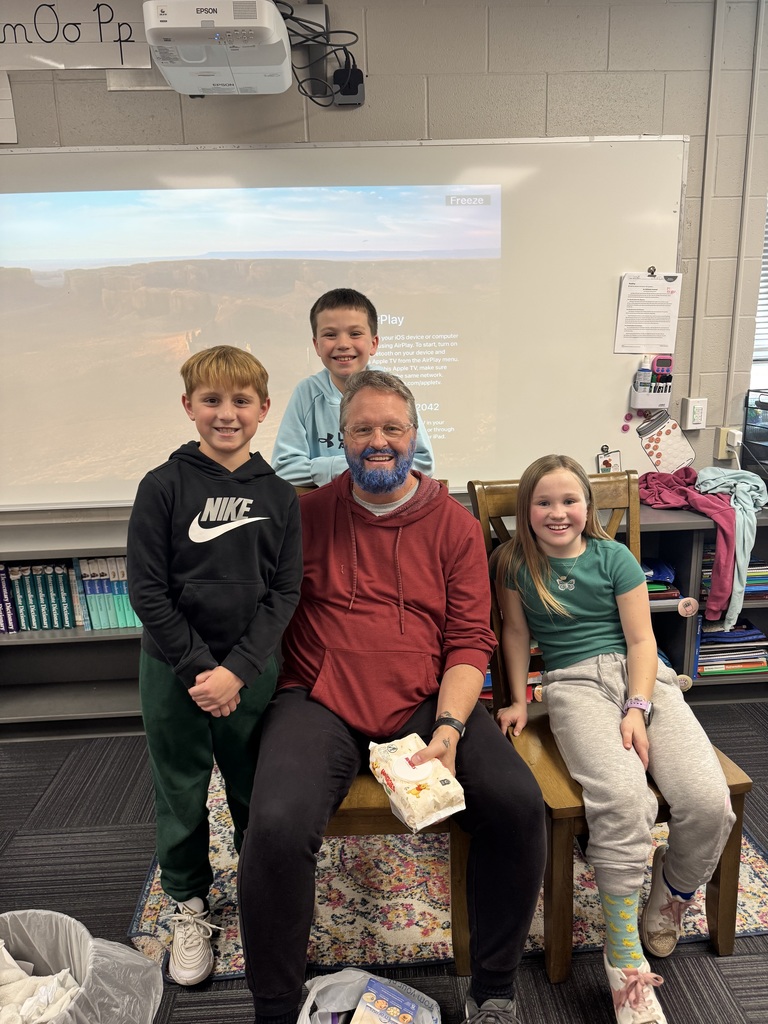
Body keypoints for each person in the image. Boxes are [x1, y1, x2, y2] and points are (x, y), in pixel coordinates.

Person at [239, 370, 545, 1024]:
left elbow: (468, 639)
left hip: (424, 700)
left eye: (392, 429)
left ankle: (492, 990)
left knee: (518, 805)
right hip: (317, 697)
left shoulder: (455, 527)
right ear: (341, 438)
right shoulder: (305, 516)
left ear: (413, 435)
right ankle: (273, 1007)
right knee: (275, 825)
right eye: (363, 429)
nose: (378, 441)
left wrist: (452, 728)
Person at [494, 454, 736, 1024]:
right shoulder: (513, 565)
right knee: (626, 802)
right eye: (544, 502)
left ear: (589, 506)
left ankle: (672, 890)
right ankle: (623, 956)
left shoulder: (615, 557)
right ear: (527, 511)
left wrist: (637, 706)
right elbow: (514, 632)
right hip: (572, 687)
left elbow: (642, 642)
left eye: (569, 500)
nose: (558, 513)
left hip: (644, 683)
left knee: (706, 801)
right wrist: (518, 698)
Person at [127, 345, 302, 987]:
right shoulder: (163, 486)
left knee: (256, 789)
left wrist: (238, 670)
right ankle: (190, 904)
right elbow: (147, 590)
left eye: (240, 402)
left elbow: (285, 592)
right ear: (188, 407)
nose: (225, 414)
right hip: (173, 672)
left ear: (261, 411)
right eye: (211, 401)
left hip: (251, 672)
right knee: (181, 788)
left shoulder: (279, 495)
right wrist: (203, 670)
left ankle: (261, 896)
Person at [270, 287, 434, 486]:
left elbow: (423, 463)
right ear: (316, 346)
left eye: (355, 333)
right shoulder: (306, 393)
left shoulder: (394, 392)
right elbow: (284, 468)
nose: (343, 344)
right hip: (329, 510)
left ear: (373, 343)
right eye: (330, 335)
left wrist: (328, 468)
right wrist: (354, 465)